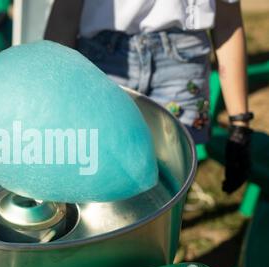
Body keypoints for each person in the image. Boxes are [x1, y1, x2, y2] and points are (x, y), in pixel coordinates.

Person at [45, 0, 253, 194]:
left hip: (182, 64)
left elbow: (227, 20)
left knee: (167, 190)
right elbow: (66, 12)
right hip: (105, 60)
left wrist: (239, 124)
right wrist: (51, 98)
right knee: (99, 181)